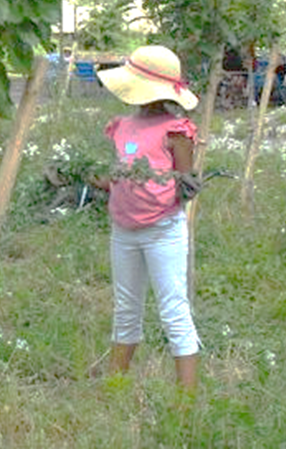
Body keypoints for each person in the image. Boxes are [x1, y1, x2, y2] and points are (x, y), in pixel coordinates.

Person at [90, 45, 201, 392]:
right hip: (123, 231)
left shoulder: (176, 131)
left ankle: (186, 400)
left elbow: (184, 181)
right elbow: (116, 177)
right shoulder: (122, 127)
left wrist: (180, 185)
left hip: (162, 231)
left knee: (173, 311)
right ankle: (115, 387)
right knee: (126, 308)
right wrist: (94, 179)